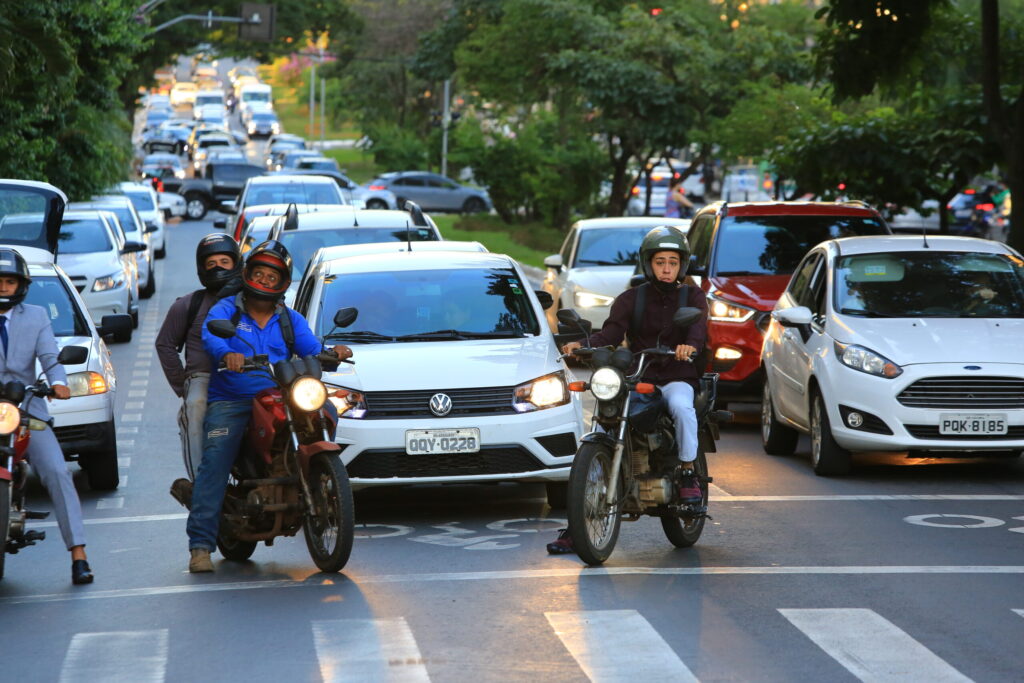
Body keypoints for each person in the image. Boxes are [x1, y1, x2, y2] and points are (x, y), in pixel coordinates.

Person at [184, 240, 352, 573]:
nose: (264, 280)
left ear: (282, 283)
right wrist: (227, 354)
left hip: (281, 393)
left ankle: (316, 476)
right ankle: (200, 546)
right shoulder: (226, 310)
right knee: (216, 460)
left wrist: (331, 352)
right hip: (233, 398)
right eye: (258, 273)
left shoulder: (289, 319)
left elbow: (309, 345)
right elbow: (212, 337)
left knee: (328, 411)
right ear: (247, 274)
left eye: (271, 277)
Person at [563, 225, 708, 498]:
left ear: (682, 266)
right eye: (660, 262)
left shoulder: (693, 297)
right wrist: (581, 346)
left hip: (678, 374)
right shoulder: (631, 298)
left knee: (681, 407)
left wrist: (689, 347)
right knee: (611, 410)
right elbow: (611, 334)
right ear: (649, 264)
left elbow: (697, 330)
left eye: (673, 263)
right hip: (640, 375)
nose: (666, 269)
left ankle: (688, 471)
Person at [0, 248, 93, 584]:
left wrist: (57, 383)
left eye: (10, 281)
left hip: (26, 409)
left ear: (21, 285)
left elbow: (50, 357)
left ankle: (79, 555)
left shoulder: (37, 316)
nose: (4, 287)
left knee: (56, 470)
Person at [155, 234, 241, 484]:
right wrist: (183, 384)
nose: (218, 267)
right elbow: (165, 344)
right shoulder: (187, 305)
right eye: (211, 262)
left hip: (247, 376)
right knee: (195, 407)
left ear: (236, 264)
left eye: (224, 261)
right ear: (201, 269)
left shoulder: (251, 300)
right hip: (203, 378)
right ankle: (201, 486)